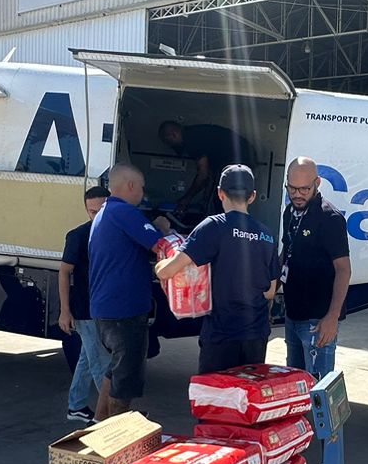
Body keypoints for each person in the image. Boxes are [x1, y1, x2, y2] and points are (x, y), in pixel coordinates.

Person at [155, 164, 279, 374]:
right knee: (247, 393)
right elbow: (270, 291)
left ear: (220, 193)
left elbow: (167, 272)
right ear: (252, 197)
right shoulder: (266, 235)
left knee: (214, 394)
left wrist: (159, 264)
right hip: (256, 335)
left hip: (222, 334)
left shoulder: (213, 226)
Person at [88, 163, 169, 420]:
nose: (143, 194)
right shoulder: (124, 212)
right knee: (125, 378)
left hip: (107, 308)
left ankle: (100, 422)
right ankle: (117, 433)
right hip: (125, 310)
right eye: (142, 188)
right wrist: (162, 227)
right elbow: (159, 244)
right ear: (131, 186)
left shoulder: (105, 213)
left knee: (115, 370)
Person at [280, 157, 351, 379]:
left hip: (318, 321)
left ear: (317, 183)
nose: (297, 194)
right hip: (293, 315)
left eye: (304, 189)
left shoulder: (330, 218)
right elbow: (286, 252)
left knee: (317, 388)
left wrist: (332, 317)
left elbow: (343, 269)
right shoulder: (289, 212)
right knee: (295, 385)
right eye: (292, 188)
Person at [58, 185, 109, 425]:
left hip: (102, 307)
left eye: (101, 210)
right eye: (92, 211)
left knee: (87, 359)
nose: (96, 216)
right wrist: (65, 311)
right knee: (101, 363)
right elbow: (64, 272)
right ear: (86, 210)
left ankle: (76, 406)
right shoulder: (78, 236)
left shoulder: (113, 233)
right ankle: (111, 415)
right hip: (84, 310)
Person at [158, 119, 253, 220]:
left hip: (241, 159)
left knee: (222, 199)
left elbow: (203, 174)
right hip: (242, 157)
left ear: (174, 134)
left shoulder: (192, 140)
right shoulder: (196, 134)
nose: (169, 145)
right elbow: (208, 173)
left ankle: (227, 225)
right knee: (221, 197)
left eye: (168, 141)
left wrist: (186, 199)